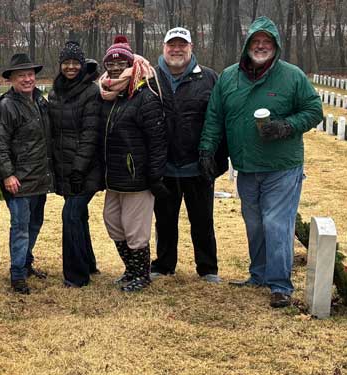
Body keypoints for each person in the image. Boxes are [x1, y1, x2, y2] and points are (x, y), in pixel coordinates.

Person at [198, 16, 323, 308]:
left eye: (267, 42)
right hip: (246, 166)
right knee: (254, 223)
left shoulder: (292, 76)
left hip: (282, 166)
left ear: (275, 46)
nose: (261, 46)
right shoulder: (229, 77)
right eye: (256, 42)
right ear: (247, 46)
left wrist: (287, 126)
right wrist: (206, 150)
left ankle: (280, 285)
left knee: (276, 223)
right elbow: (214, 117)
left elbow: (314, 110)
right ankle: (259, 274)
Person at [150, 27, 226, 283]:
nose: (177, 50)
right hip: (165, 166)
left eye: (182, 45)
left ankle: (207, 268)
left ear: (191, 47)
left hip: (198, 166)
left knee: (202, 220)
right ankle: (163, 265)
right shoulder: (150, 78)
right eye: (172, 45)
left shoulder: (208, 78)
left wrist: (216, 160)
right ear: (164, 47)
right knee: (165, 220)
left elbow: (219, 121)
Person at [98, 35, 166, 293]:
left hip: (137, 178)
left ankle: (142, 274)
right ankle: (130, 269)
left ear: (132, 64)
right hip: (113, 177)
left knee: (135, 229)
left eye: (121, 63)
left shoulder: (145, 96)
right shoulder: (107, 94)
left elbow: (157, 142)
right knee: (113, 223)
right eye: (110, 63)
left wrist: (155, 176)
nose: (115, 68)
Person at [0, 53, 53, 295]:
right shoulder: (6, 106)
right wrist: (7, 175)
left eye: (30, 74)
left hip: (40, 177)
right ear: (11, 80)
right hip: (18, 180)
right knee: (20, 227)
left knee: (35, 223)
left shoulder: (40, 101)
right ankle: (17, 275)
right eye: (21, 75)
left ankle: (26, 264)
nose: (27, 79)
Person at [47, 41, 104, 288]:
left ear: (82, 66)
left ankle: (76, 275)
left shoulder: (91, 92)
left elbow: (90, 134)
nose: (70, 67)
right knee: (78, 215)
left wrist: (79, 168)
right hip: (64, 165)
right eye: (66, 62)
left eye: (75, 63)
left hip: (85, 168)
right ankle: (89, 262)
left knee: (70, 215)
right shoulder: (55, 92)